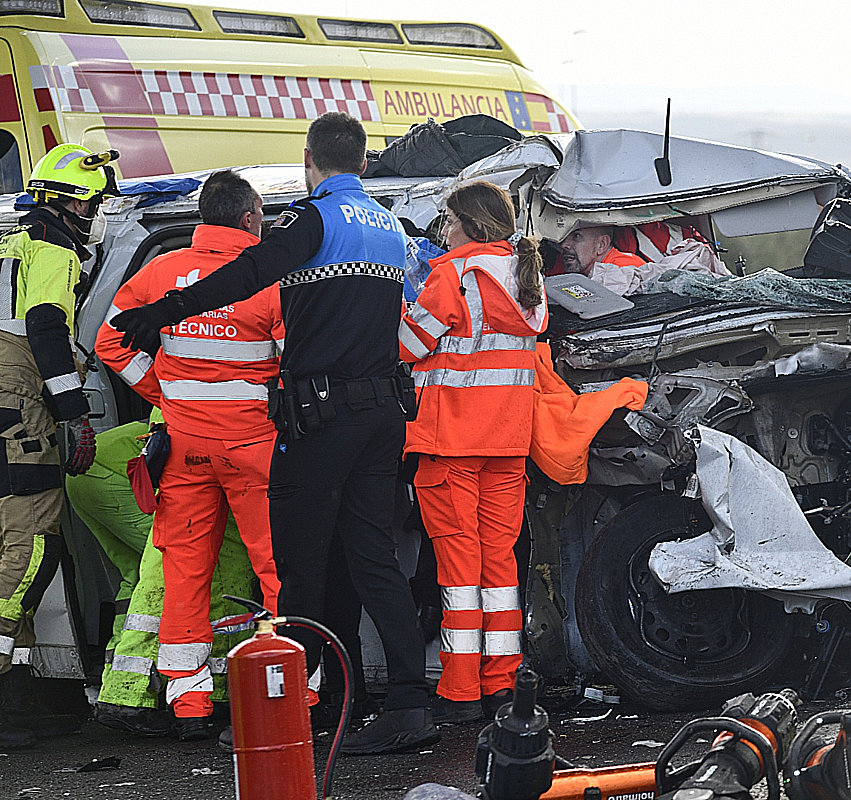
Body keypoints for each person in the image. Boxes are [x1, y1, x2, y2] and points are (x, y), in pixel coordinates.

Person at [110, 112, 437, 756]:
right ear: (365, 164)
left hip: (320, 418)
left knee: (297, 566)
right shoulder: (390, 229)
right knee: (370, 560)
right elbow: (405, 326)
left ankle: (306, 705)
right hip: (380, 418)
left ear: (309, 160)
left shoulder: (314, 221)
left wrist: (163, 312)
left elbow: (247, 274)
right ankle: (402, 704)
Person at [95, 169, 282, 740]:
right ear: (251, 219)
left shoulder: (159, 272)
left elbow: (110, 342)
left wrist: (163, 393)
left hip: (183, 447)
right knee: (277, 568)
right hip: (254, 447)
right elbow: (296, 359)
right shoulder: (269, 278)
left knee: (184, 574)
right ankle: (290, 690)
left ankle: (189, 705)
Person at [398, 181, 548, 723]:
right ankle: (502, 682)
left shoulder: (451, 273)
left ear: (471, 226)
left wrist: (398, 302)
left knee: (459, 567)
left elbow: (408, 346)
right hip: (507, 441)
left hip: (451, 442)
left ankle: (460, 688)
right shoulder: (527, 276)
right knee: (499, 565)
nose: (443, 229)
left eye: (447, 219)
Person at [0, 144, 118, 747]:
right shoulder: (49, 252)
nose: (94, 217)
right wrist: (75, 415)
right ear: (72, 206)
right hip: (22, 411)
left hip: (5, 408)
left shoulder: (8, 245)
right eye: (93, 205)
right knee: (31, 547)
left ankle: (18, 695)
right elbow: (47, 330)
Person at [64, 418, 258, 738]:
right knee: (174, 571)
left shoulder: (179, 407)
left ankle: (117, 685)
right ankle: (131, 698)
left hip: (92, 475)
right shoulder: (223, 425)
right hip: (121, 476)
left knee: (136, 578)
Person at [557, 225, 644, 277]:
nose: (564, 245)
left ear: (602, 244)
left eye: (576, 236)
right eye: (563, 238)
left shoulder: (621, 272)